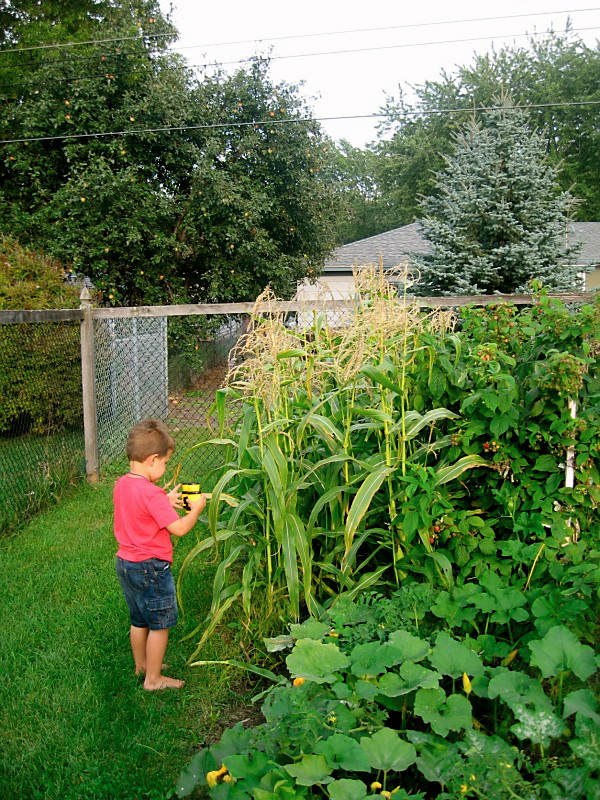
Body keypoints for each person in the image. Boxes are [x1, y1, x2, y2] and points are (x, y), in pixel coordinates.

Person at [113, 418, 206, 690]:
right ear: (153, 459)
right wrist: (196, 511)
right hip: (151, 568)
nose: (165, 468)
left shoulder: (122, 484)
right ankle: (153, 679)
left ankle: (141, 665)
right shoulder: (152, 494)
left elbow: (139, 509)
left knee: (138, 620)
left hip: (126, 564)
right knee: (159, 624)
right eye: (165, 462)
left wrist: (164, 501)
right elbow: (179, 528)